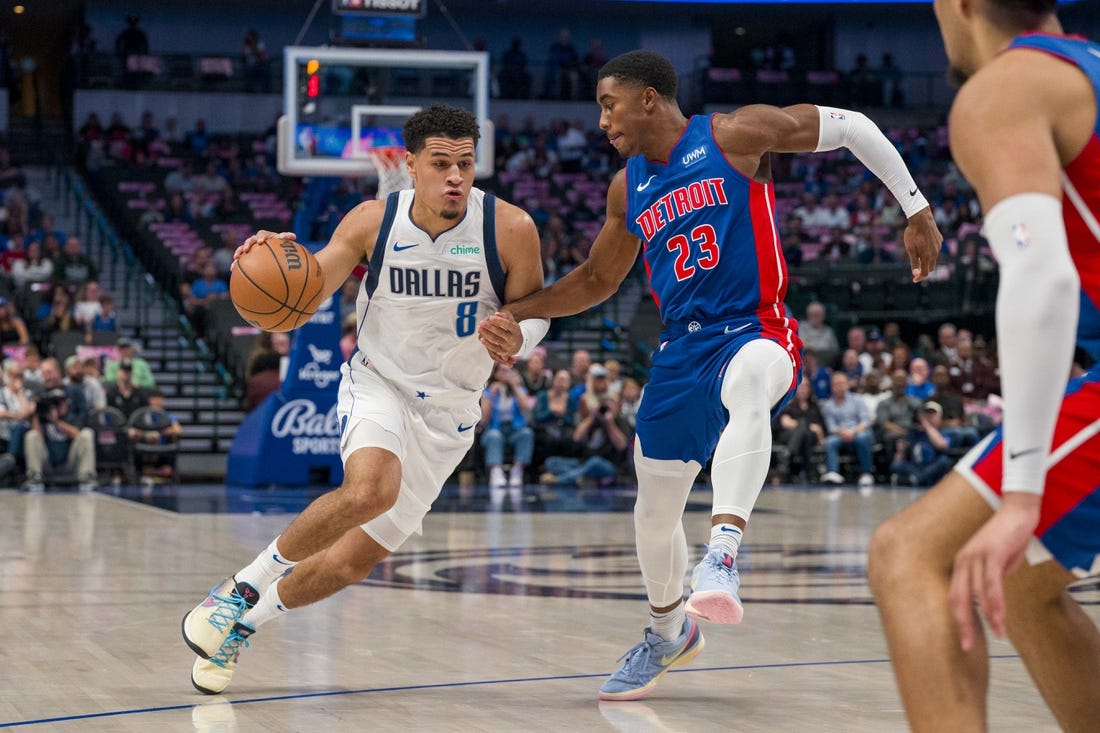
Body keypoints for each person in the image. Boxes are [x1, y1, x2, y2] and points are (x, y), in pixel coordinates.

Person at [478, 50, 941, 700]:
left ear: (647, 98)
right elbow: (595, 280)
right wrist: (517, 311)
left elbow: (852, 126)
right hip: (680, 352)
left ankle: (722, 554)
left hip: (756, 325)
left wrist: (915, 209)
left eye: (608, 103)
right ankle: (668, 632)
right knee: (651, 513)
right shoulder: (626, 187)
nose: (602, 119)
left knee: (750, 376)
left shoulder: (734, 134)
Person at [180, 105, 547, 695]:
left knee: (351, 564)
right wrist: (277, 261)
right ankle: (240, 588)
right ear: (409, 165)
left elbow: (534, 316)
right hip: (379, 382)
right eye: (441, 163)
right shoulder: (374, 220)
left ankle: (241, 626)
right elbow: (311, 285)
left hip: (450, 413)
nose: (456, 176)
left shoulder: (511, 229)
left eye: (466, 163)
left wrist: (520, 337)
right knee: (371, 489)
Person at [868, 3, 1100, 730]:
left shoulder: (1006, 88)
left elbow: (1044, 278)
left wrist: (1023, 497)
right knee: (1022, 580)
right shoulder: (1086, 71)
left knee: (914, 558)